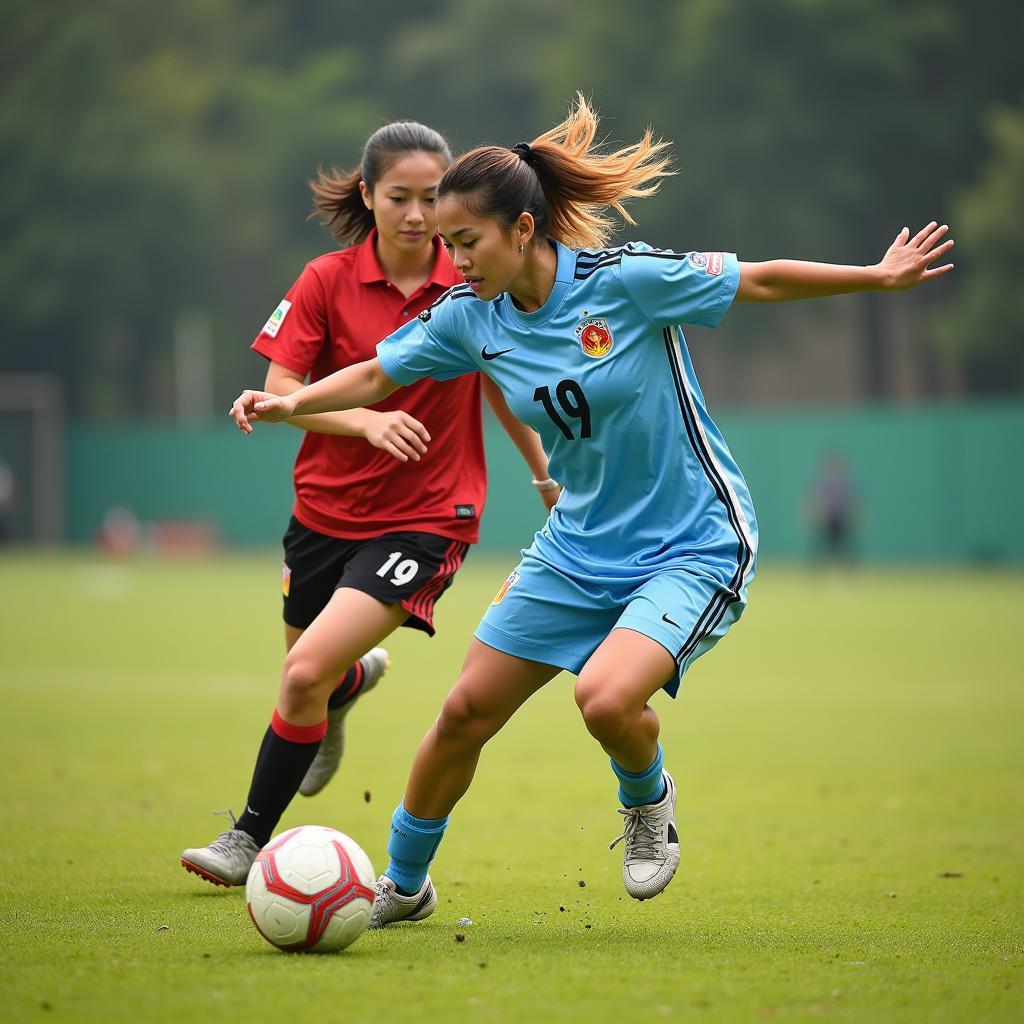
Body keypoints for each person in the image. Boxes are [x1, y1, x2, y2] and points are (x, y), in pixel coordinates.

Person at [229, 95, 954, 922]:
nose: (453, 259)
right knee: (464, 712)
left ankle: (648, 803)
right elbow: (374, 375)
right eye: (446, 246)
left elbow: (757, 280)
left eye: (467, 242)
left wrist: (878, 276)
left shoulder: (630, 282)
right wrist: (291, 405)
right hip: (576, 546)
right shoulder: (471, 319)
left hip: (693, 542)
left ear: (524, 231)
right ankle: (402, 884)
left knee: (605, 700)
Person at [182, 121, 556, 887]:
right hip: (322, 513)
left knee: (300, 676)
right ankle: (349, 684)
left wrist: (544, 474)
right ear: (368, 195)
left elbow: (506, 385)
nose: (418, 217)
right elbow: (286, 394)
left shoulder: (472, 280)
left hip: (427, 516)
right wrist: (362, 420)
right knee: (311, 675)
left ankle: (245, 840)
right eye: (400, 198)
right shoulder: (325, 280)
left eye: (431, 198)